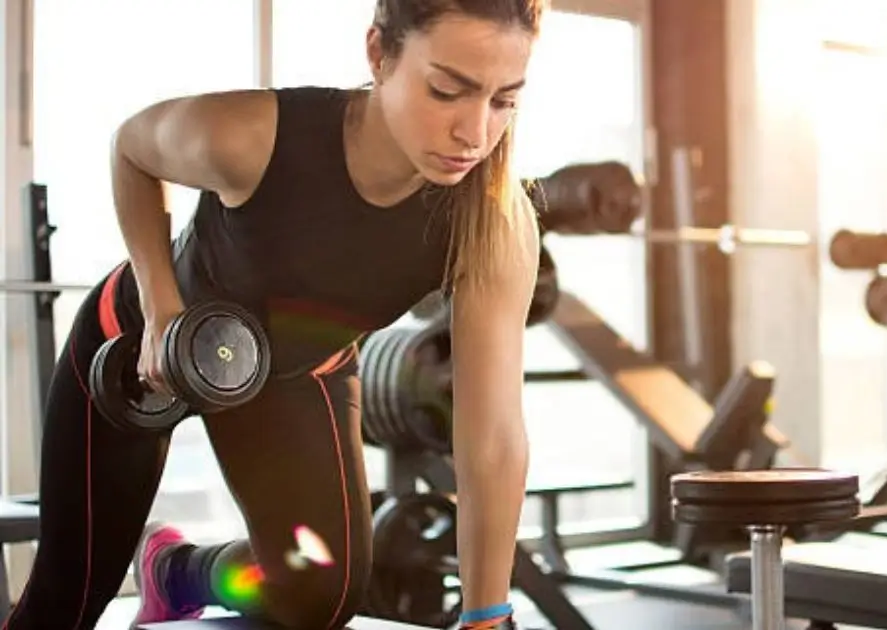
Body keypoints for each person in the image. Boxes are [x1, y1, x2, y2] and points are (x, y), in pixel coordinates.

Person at [2, 0, 543, 628]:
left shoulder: (494, 223)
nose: (475, 134)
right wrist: (159, 309)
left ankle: (178, 571)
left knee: (322, 598)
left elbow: (493, 437)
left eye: (504, 100)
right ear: (378, 54)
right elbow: (132, 148)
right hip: (143, 346)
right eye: (448, 91)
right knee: (64, 604)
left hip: (290, 371)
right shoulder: (254, 136)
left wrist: (486, 614)